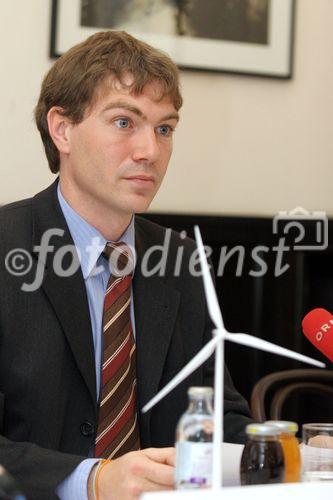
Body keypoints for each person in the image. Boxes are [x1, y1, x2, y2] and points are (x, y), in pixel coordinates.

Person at [0, 30, 252, 499]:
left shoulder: (179, 259)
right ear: (62, 130)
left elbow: (218, 414)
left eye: (164, 128)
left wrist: (288, 447)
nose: (150, 152)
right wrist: (93, 480)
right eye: (123, 123)